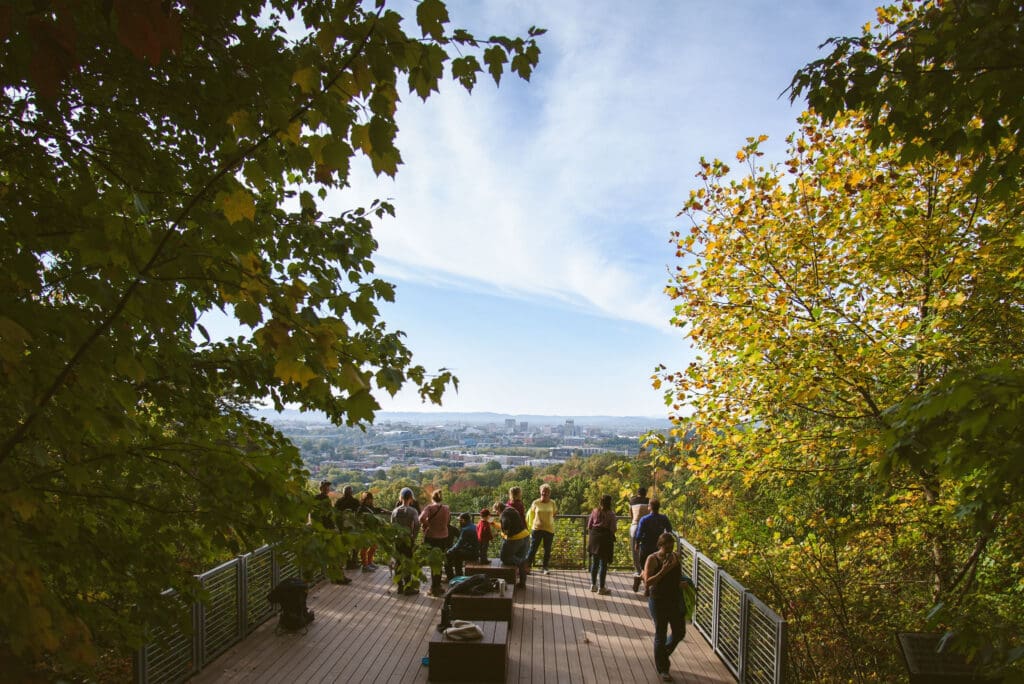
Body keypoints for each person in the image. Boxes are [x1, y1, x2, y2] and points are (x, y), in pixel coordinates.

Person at [643, 533, 686, 682]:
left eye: (671, 545)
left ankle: (662, 653)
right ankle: (663, 669)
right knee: (660, 633)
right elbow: (647, 582)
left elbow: (676, 577)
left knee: (679, 631)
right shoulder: (652, 559)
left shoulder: (675, 556)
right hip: (658, 600)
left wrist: (681, 583)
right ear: (660, 545)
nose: (669, 549)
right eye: (666, 546)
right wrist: (664, 570)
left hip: (674, 599)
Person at [312, 481, 350, 585]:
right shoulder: (322, 499)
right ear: (321, 488)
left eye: (328, 487)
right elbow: (326, 517)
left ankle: (338, 576)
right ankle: (338, 577)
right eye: (326, 487)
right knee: (335, 554)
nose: (327, 489)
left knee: (333, 555)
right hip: (327, 530)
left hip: (325, 530)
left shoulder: (319, 498)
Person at [635, 498, 672, 595]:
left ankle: (644, 585)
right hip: (658, 548)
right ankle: (645, 585)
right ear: (658, 507)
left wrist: (637, 543)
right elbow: (669, 530)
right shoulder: (664, 518)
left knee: (645, 567)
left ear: (649, 507)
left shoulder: (644, 519)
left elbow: (639, 533)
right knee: (655, 568)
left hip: (645, 546)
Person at [418, 490, 451, 596]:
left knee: (433, 563)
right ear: (441, 498)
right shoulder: (446, 508)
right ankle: (437, 586)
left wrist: (428, 524)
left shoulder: (429, 508)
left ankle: (434, 587)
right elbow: (447, 521)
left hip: (432, 537)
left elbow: (421, 518)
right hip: (444, 538)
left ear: (432, 498)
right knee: (439, 561)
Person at [390, 488, 420, 595]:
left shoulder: (395, 511)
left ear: (401, 497)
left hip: (398, 539)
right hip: (408, 540)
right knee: (407, 562)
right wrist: (414, 537)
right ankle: (408, 587)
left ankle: (399, 586)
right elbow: (417, 525)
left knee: (398, 562)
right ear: (411, 498)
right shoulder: (413, 511)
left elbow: (392, 526)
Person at [587, 494, 617, 595]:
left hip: (594, 537)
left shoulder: (595, 511)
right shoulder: (611, 514)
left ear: (600, 502)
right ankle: (602, 587)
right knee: (603, 564)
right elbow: (613, 529)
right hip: (605, 539)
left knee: (594, 562)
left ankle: (593, 585)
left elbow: (589, 525)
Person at [526, 483, 557, 574]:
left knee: (547, 550)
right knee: (533, 549)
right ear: (540, 492)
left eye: (547, 492)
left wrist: (548, 521)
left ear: (549, 493)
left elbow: (554, 514)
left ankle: (545, 568)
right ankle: (527, 568)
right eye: (543, 491)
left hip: (549, 529)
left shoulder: (552, 503)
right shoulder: (535, 502)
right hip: (537, 529)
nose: (545, 493)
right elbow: (531, 514)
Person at [498, 500, 530, 588]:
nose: (496, 513)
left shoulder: (504, 513)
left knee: (504, 557)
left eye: (496, 511)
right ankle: (522, 583)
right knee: (519, 559)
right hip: (525, 536)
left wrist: (505, 532)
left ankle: (522, 562)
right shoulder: (512, 510)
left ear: (499, 509)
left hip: (516, 539)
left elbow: (506, 524)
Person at [357, 491, 386, 572]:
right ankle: (364, 565)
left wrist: (383, 510)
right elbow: (359, 518)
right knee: (364, 548)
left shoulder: (371, 507)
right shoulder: (361, 508)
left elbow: (376, 510)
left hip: (373, 530)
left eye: (371, 499)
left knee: (374, 546)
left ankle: (370, 562)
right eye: (369, 499)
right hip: (365, 530)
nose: (370, 501)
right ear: (364, 499)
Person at [629, 486, 651, 591]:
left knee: (635, 552)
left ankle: (638, 572)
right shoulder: (649, 501)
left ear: (638, 493)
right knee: (646, 552)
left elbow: (631, 515)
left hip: (634, 526)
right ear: (645, 493)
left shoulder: (632, 501)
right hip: (646, 530)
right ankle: (646, 571)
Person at [445, 513, 480, 578]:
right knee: (457, 554)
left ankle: (451, 577)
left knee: (449, 555)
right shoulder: (474, 526)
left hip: (472, 554)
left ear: (463, 520)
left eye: (460, 520)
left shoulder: (465, 530)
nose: (459, 522)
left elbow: (459, 544)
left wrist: (449, 551)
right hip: (476, 552)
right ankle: (458, 574)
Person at [335, 485, 361, 570]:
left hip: (342, 526)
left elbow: (336, 513)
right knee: (355, 545)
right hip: (352, 525)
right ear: (351, 492)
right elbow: (358, 513)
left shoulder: (339, 501)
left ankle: (348, 562)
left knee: (345, 545)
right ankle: (354, 562)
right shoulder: (355, 501)